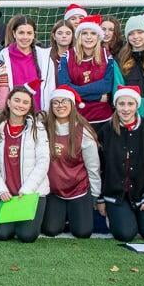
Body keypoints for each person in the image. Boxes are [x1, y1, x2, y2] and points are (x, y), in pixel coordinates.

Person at [98, 85, 144, 243]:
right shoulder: (106, 131)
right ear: (115, 105)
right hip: (116, 194)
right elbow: (99, 168)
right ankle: (116, 215)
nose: (126, 109)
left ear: (137, 105)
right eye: (121, 104)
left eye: (130, 104)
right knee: (125, 234)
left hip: (143, 193)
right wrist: (100, 198)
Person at [0, 87, 49, 242]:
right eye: (16, 100)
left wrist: (28, 189)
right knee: (2, 235)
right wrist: (0, 189)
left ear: (30, 106)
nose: (20, 105)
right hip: (7, 195)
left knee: (27, 236)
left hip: (31, 193)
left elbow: (43, 162)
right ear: (8, 102)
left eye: (25, 102)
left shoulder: (38, 129)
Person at [41, 86, 100, 238]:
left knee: (82, 232)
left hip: (78, 190)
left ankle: (73, 214)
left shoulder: (83, 131)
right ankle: (63, 216)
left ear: (73, 104)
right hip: (54, 191)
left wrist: (95, 195)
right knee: (51, 230)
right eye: (55, 102)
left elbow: (93, 167)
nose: (60, 105)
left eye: (64, 101)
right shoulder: (43, 128)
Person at [56, 15, 116, 126]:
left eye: (93, 33)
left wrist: (76, 91)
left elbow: (107, 85)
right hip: (75, 116)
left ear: (98, 37)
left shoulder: (106, 55)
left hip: (102, 116)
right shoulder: (67, 56)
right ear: (79, 36)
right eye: (84, 33)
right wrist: (98, 97)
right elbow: (64, 87)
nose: (89, 37)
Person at [0, 15, 57, 105]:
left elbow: (50, 87)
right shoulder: (3, 57)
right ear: (14, 33)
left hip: (39, 114)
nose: (25, 37)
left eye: (29, 33)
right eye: (21, 33)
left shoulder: (44, 58)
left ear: (34, 35)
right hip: (13, 112)